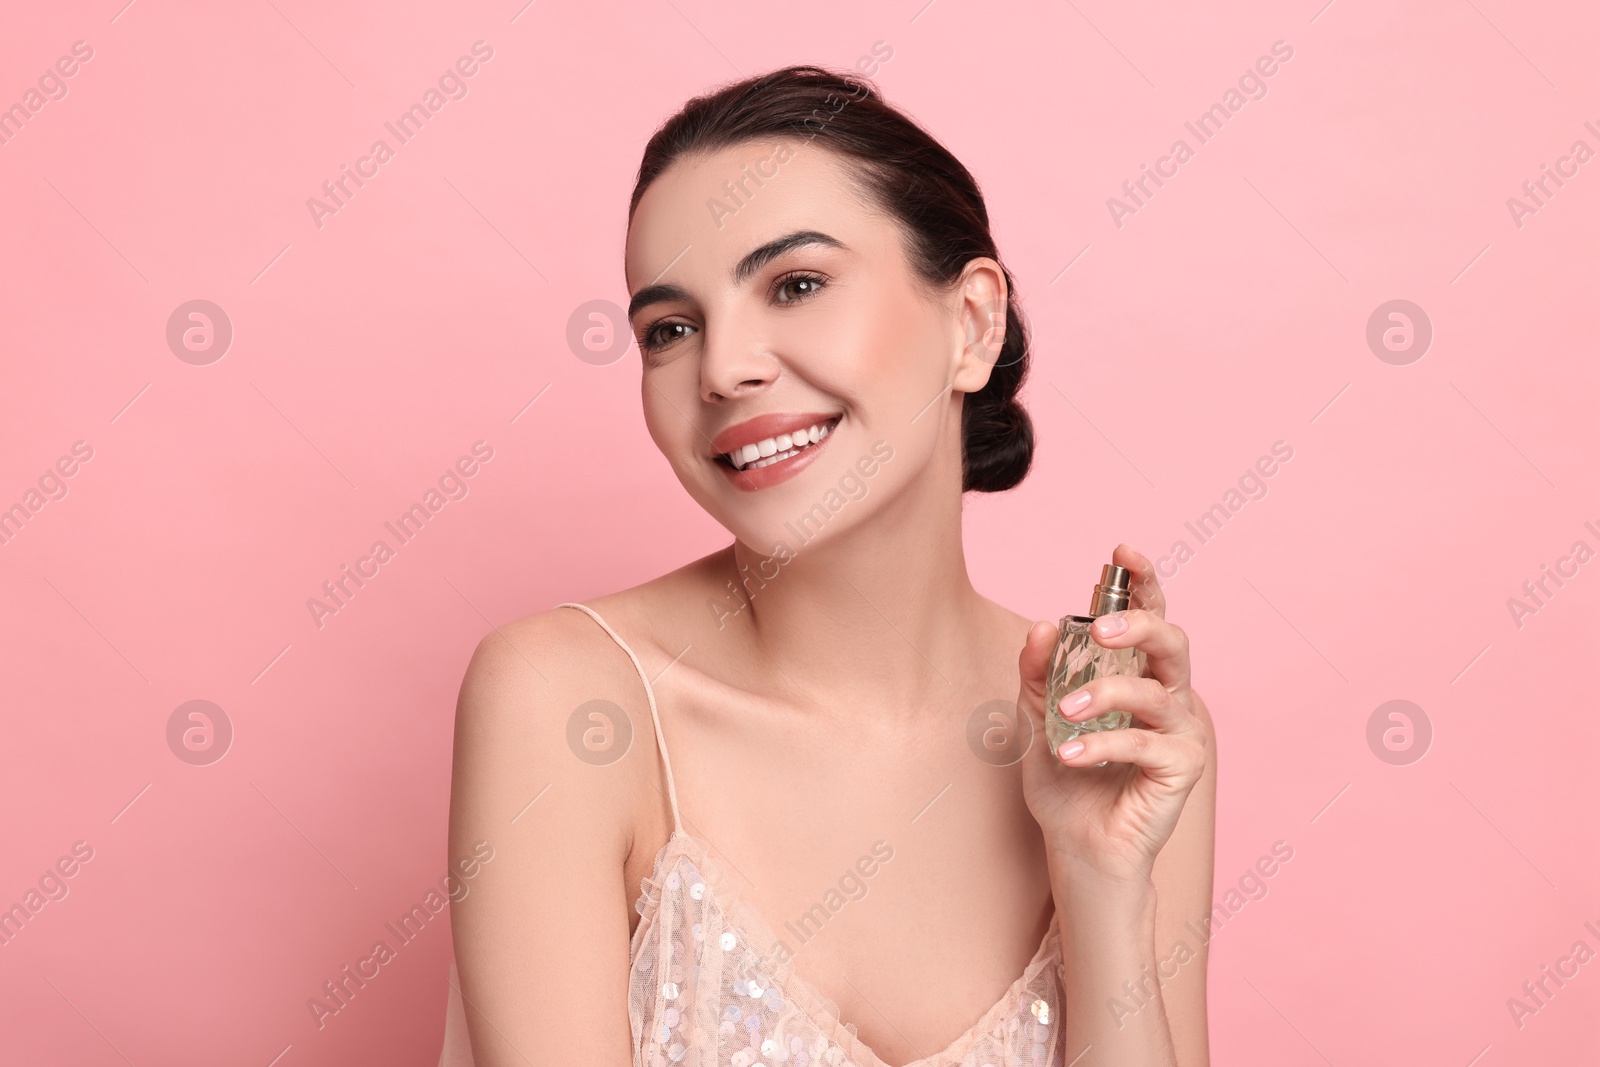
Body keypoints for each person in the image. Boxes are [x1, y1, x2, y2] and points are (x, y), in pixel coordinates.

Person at [440, 64, 1216, 1067]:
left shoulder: (1115, 737)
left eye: (796, 284)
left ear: (971, 323)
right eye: (668, 329)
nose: (722, 369)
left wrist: (1101, 884)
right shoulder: (566, 703)